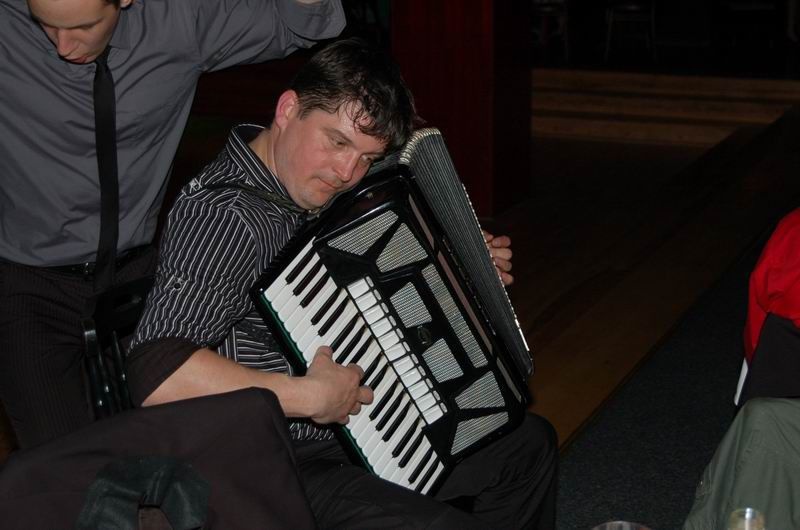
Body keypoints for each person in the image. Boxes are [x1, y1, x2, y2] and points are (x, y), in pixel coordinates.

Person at [127, 38, 557, 529]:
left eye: (367, 158)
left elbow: (385, 270)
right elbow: (156, 374)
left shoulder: (309, 185)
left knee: (527, 446)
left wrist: (463, 268)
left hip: (365, 427)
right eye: (337, 141)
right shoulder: (226, 216)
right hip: (272, 460)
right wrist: (309, 396)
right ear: (288, 109)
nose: (346, 173)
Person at [0, 0, 345, 448]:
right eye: (45, 25)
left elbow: (298, 21)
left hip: (138, 279)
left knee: (175, 451)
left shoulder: (179, 22)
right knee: (60, 466)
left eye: (83, 26)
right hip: (29, 287)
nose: (64, 46)